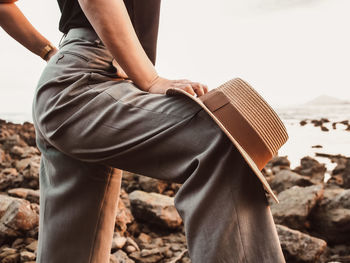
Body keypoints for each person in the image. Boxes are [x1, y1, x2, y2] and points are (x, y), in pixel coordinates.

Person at [31, 0, 287, 262]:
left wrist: (50, 52)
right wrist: (150, 79)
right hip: (84, 84)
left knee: (74, 248)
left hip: (86, 81)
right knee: (218, 139)